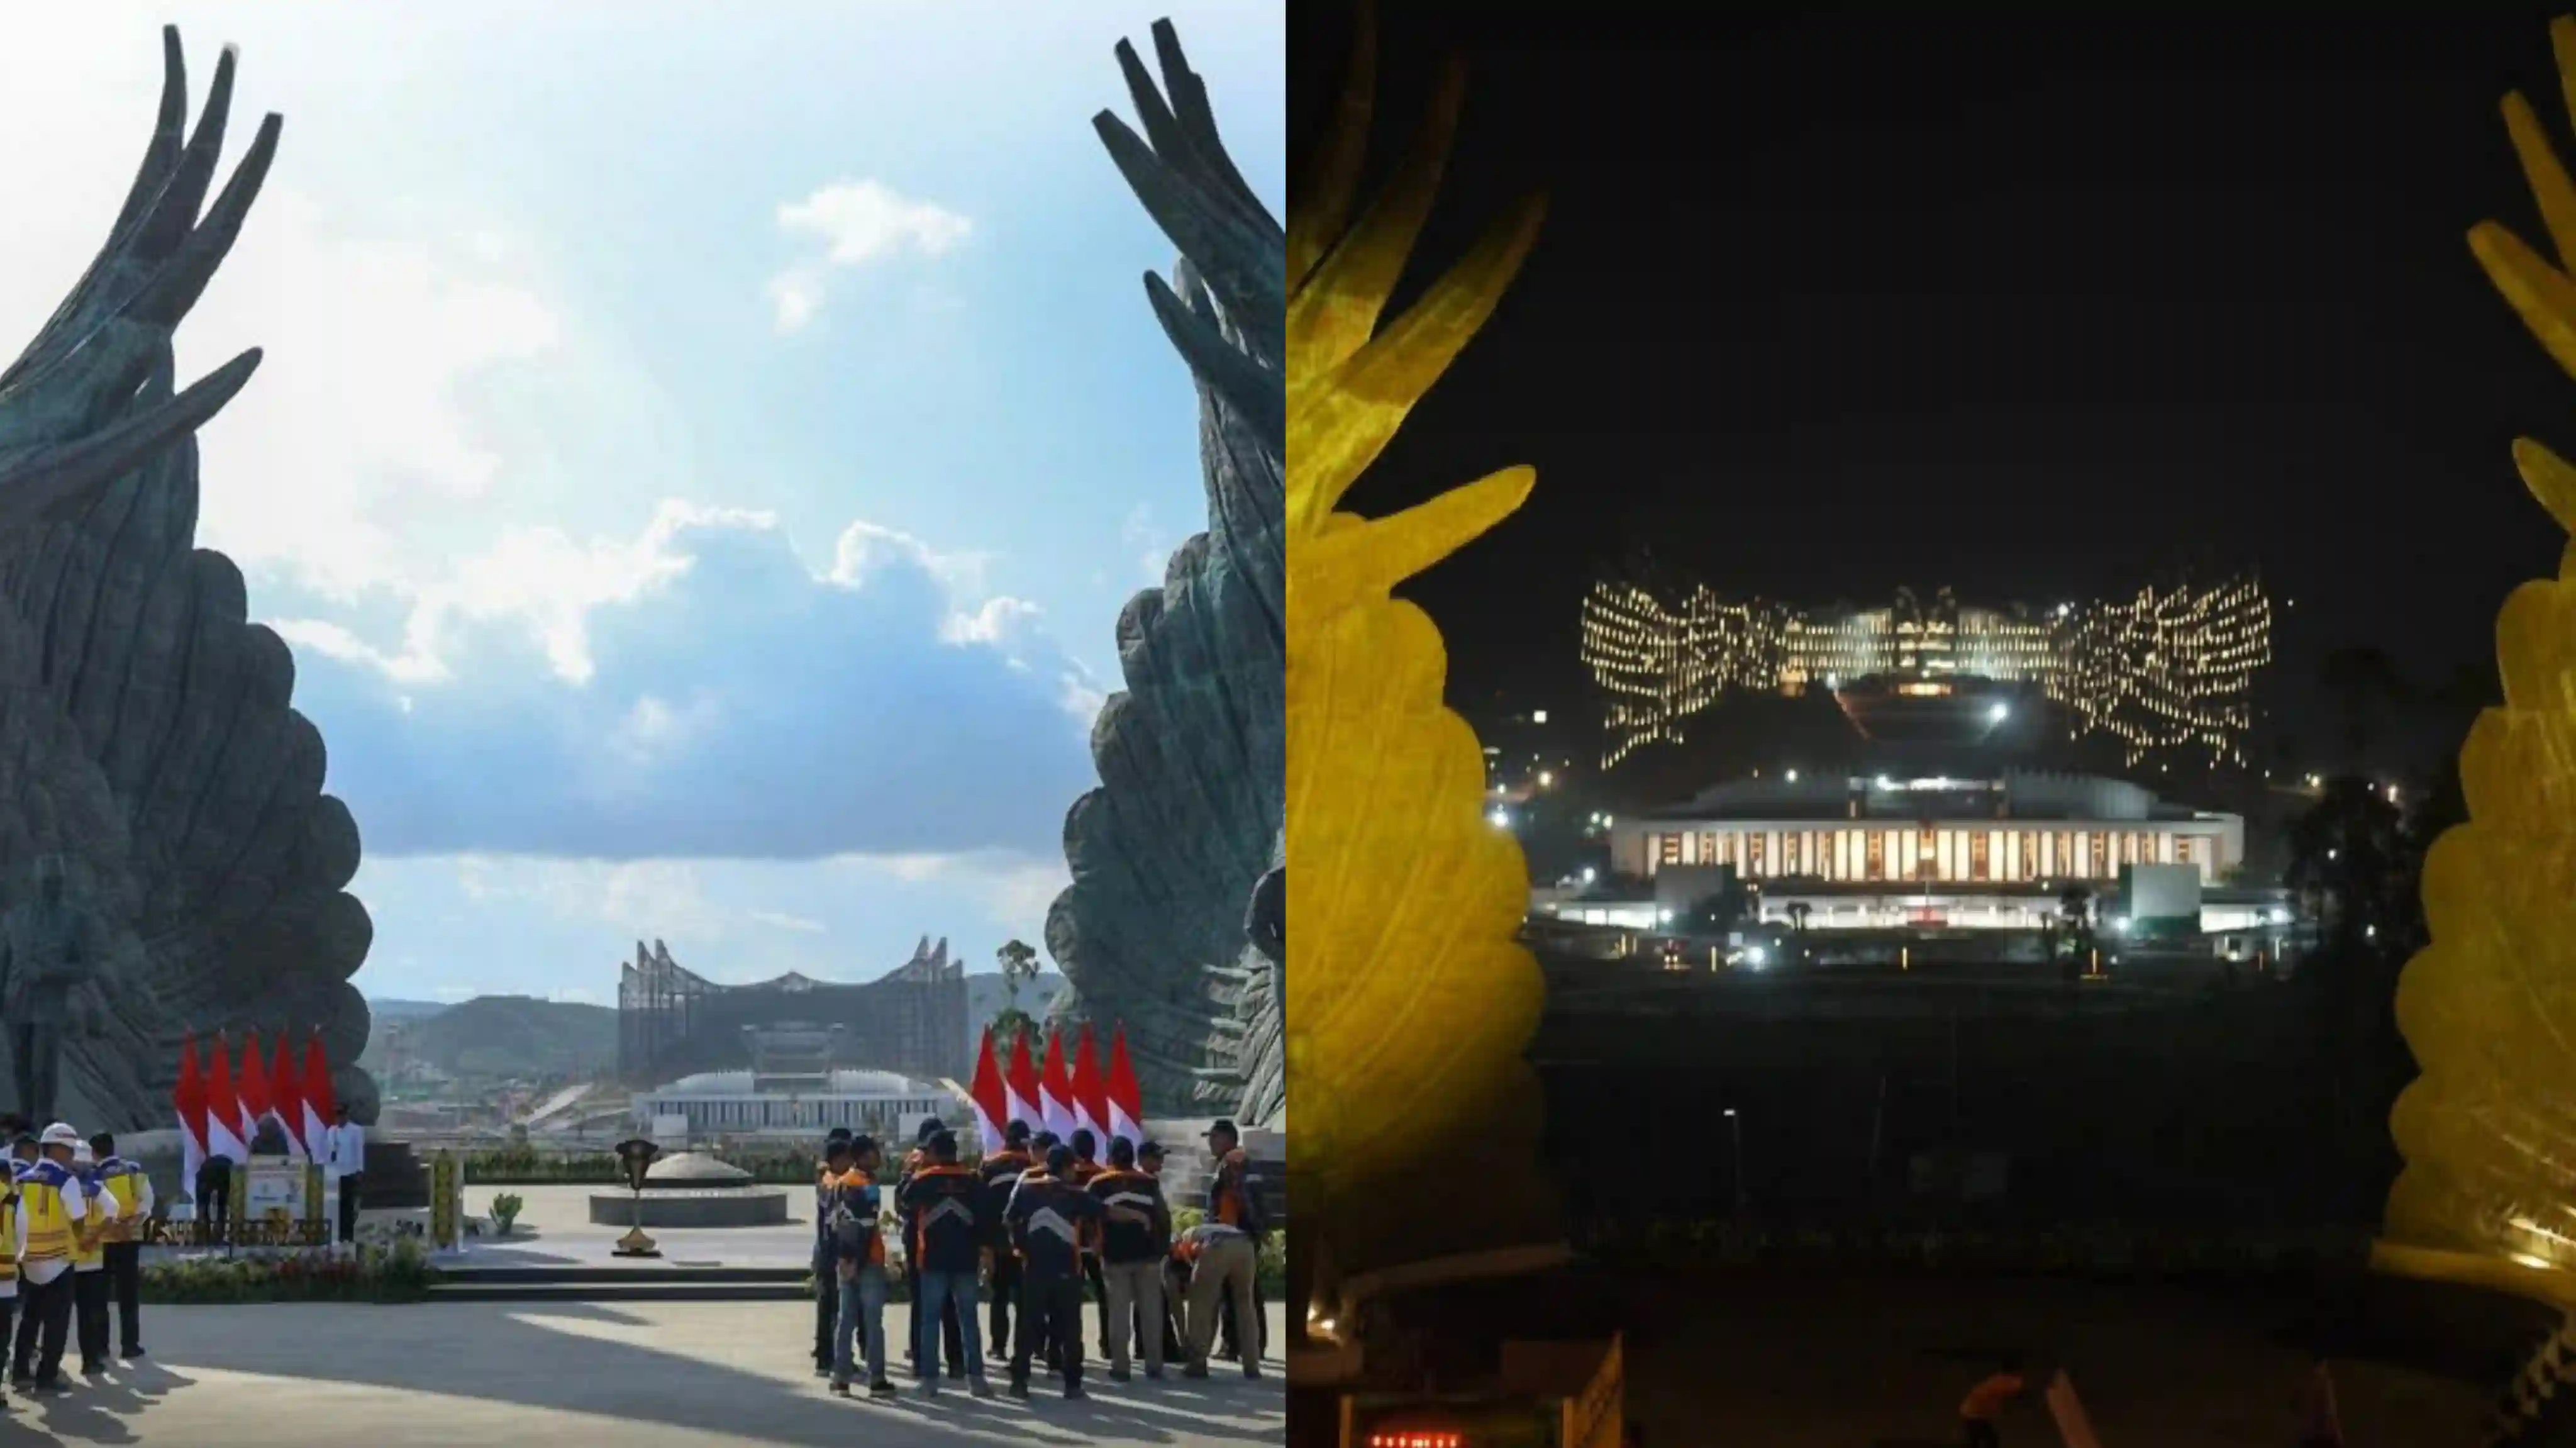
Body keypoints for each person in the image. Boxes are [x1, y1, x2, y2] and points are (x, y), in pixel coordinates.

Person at [896, 1129, 992, 1397]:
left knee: (929, 1321)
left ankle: (930, 1382)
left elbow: (903, 1205)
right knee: (969, 1320)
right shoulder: (973, 1180)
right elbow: (986, 1217)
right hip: (966, 1260)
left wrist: (908, 1173)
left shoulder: (923, 1180)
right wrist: (985, 1254)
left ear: (935, 1153)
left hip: (933, 1260)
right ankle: (977, 1379)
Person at [1005, 1144, 1102, 1400]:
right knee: (1071, 1329)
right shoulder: (1075, 1195)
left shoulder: (1026, 1190)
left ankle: (1019, 1382)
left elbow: (1009, 1218)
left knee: (1027, 1327)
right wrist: (1137, 1216)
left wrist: (1020, 1246)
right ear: (1068, 1168)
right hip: (1067, 1271)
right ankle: (1072, 1385)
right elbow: (1103, 1212)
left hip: (1033, 1268)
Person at [12, 1124, 91, 1394]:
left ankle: (20, 1374)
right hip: (58, 1262)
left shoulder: (22, 1178)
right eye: (69, 1150)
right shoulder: (65, 1180)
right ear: (58, 1148)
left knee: (29, 1319)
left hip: (29, 1261)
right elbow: (79, 1220)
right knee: (56, 1323)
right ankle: (47, 1377)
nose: (71, 1156)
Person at [1089, 1136, 1171, 1381]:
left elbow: (1088, 1217)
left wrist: (1094, 1247)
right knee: (1151, 1312)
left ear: (1111, 1157)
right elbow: (1163, 1218)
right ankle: (1155, 1365)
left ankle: (1121, 1367)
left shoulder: (1098, 1183)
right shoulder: (1149, 1182)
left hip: (1115, 1257)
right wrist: (1161, 1251)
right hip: (1147, 1257)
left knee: (1119, 1312)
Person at [825, 1134, 896, 1398]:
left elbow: (835, 1225)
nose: (878, 1157)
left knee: (846, 1320)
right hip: (866, 1262)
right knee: (872, 1321)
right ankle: (877, 1380)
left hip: (846, 1260)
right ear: (863, 1156)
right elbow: (864, 1227)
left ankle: (841, 1378)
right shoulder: (866, 1185)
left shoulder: (841, 1183)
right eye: (874, 1153)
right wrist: (858, 1261)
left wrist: (844, 1259)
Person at [896, 1118, 966, 1380]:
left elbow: (902, 1205)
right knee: (944, 1304)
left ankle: (927, 1358)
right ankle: (952, 1360)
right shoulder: (924, 1172)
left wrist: (907, 1176)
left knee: (927, 1304)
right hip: (929, 1244)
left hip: (924, 1245)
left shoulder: (922, 1173)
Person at [1203, 1119, 1267, 1365]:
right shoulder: (1241, 1161)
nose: (1211, 1142)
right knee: (1247, 1292)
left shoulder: (1233, 1162)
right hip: (1245, 1233)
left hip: (1234, 1234)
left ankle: (1233, 1346)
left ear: (1229, 1139)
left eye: (1215, 1137)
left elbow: (1243, 1198)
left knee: (1233, 1293)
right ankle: (1254, 1345)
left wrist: (1239, 1228)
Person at [977, 1120, 1035, 1362]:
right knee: (1026, 1299)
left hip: (997, 1242)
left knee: (999, 1297)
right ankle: (1028, 1348)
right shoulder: (1033, 1167)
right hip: (1027, 1244)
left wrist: (984, 1247)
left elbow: (980, 1206)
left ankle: (998, 1347)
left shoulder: (989, 1165)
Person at [1176, 1215, 1260, 1380]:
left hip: (1218, 1246)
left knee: (1200, 1305)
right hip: (1245, 1246)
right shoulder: (1219, 1227)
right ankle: (1252, 1365)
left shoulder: (1188, 1234)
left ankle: (1197, 1363)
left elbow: (1187, 1257)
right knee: (1245, 1306)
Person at [88, 1134, 145, 1361]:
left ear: (94, 1152)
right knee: (128, 1296)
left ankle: (101, 1347)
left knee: (99, 1297)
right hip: (129, 1241)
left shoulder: (92, 1176)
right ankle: (130, 1346)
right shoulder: (132, 1172)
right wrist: (127, 1226)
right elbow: (144, 1205)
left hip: (102, 1243)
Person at [1139, 1142, 1186, 1362]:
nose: (1161, 1161)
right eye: (1157, 1157)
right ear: (1143, 1160)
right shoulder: (1143, 1182)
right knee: (1156, 1300)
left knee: (1147, 1299)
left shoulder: (1149, 1181)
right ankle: (1164, 1348)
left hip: (1152, 1248)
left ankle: (1145, 1346)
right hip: (1149, 1250)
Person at [811, 1127, 850, 1378]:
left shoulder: (826, 1180)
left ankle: (825, 1357)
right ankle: (830, 1359)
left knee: (828, 1307)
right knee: (835, 1308)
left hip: (826, 1253)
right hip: (833, 1254)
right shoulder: (834, 1184)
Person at [66, 1141, 104, 1376]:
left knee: (54, 1317)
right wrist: (94, 1237)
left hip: (65, 1260)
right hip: (91, 1260)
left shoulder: (61, 1185)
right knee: (89, 1314)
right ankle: (90, 1362)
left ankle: (46, 1367)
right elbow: (113, 1211)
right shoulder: (98, 1186)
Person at [1958, 1358, 2026, 1448]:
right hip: (1975, 1414)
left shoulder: (1998, 1379)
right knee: (1988, 1440)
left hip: (1971, 1411)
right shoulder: (2006, 1383)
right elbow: (2018, 1392)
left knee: (1979, 1440)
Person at [323, 1103, 365, 1245]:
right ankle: (338, 1234)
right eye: (337, 1115)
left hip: (350, 1173)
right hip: (335, 1174)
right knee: (336, 1206)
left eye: (342, 1115)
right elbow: (328, 1153)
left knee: (348, 1206)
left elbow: (359, 1151)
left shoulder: (355, 1131)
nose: (339, 1118)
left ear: (347, 1115)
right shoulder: (331, 1131)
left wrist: (359, 1170)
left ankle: (348, 1235)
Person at [2296, 1357, 2344, 1448]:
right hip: (2320, 1434)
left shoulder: (2306, 1380)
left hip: (2311, 1433)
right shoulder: (2324, 1381)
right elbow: (2330, 1410)